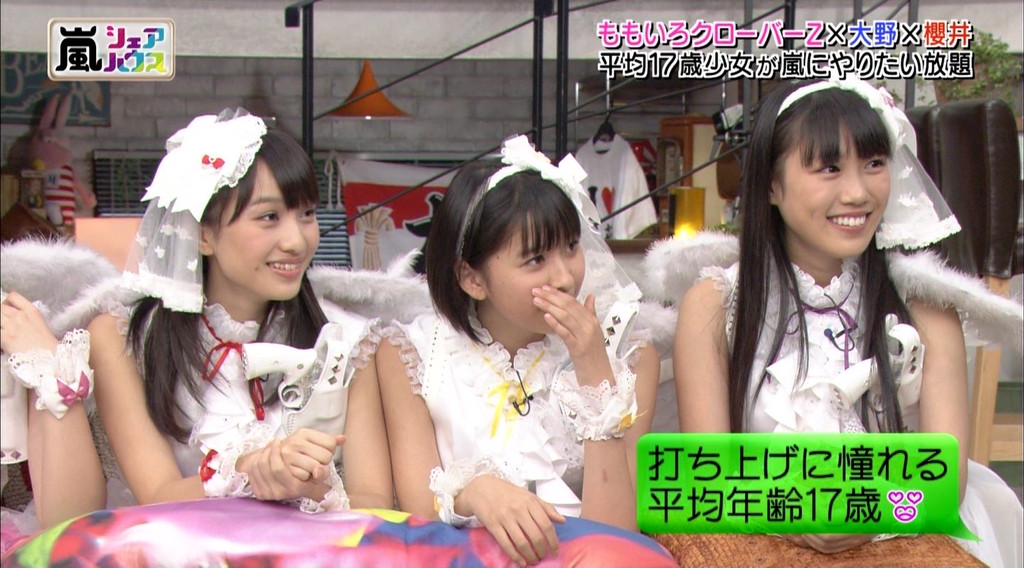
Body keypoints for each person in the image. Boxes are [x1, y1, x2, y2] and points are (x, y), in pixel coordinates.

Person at [672, 76, 1022, 566]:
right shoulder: (714, 306)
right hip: (760, 534)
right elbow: (706, 475)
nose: (858, 192)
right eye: (829, 168)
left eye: (874, 163)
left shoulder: (926, 304)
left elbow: (945, 479)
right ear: (771, 184)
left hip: (903, 530)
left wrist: (869, 510)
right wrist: (796, 511)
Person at [0, 109, 392, 530]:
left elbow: (375, 501)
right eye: (269, 217)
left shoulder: (349, 340)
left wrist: (313, 488)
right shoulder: (124, 338)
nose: (296, 240)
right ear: (202, 233)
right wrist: (248, 471)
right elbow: (158, 493)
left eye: (307, 214)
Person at [377, 135, 661, 566]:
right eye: (535, 260)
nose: (565, 277)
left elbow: (618, 539)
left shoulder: (631, 357)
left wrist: (593, 371)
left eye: (571, 246)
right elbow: (416, 517)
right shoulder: (411, 355)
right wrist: (475, 492)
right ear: (473, 279)